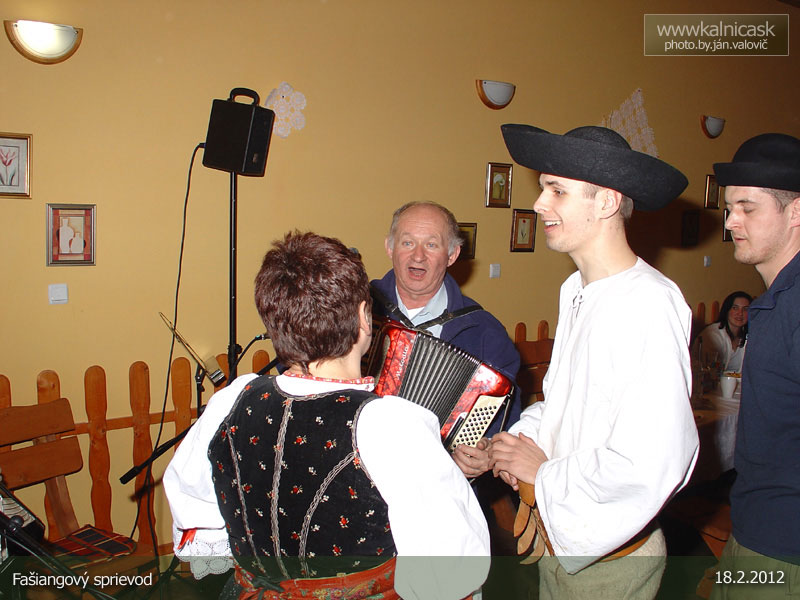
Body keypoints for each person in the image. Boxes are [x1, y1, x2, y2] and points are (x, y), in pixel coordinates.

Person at [163, 231, 490, 600]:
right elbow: (450, 567)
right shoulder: (391, 426)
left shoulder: (232, 401)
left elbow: (195, 503)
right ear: (364, 319)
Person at [481, 123, 699, 599]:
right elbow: (569, 404)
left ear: (606, 202)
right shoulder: (576, 290)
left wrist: (543, 474)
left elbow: (654, 459)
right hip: (562, 543)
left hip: (610, 562)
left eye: (557, 191)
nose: (540, 204)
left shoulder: (649, 303)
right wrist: (516, 442)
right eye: (544, 189)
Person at [710, 133, 800, 600]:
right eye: (730, 208)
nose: (731, 222)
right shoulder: (774, 303)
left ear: (795, 212)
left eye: (747, 208)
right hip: (754, 528)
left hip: (783, 548)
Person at [370, 201, 521, 437]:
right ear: (390, 248)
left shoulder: (486, 332)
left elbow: (505, 424)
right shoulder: (352, 311)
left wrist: (485, 448)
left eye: (431, 245)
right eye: (407, 243)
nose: (418, 256)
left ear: (452, 255)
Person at [693, 291, 752, 373]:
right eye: (735, 308)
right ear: (727, 310)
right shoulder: (712, 335)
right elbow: (706, 369)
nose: (740, 313)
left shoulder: (751, 335)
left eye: (745, 309)